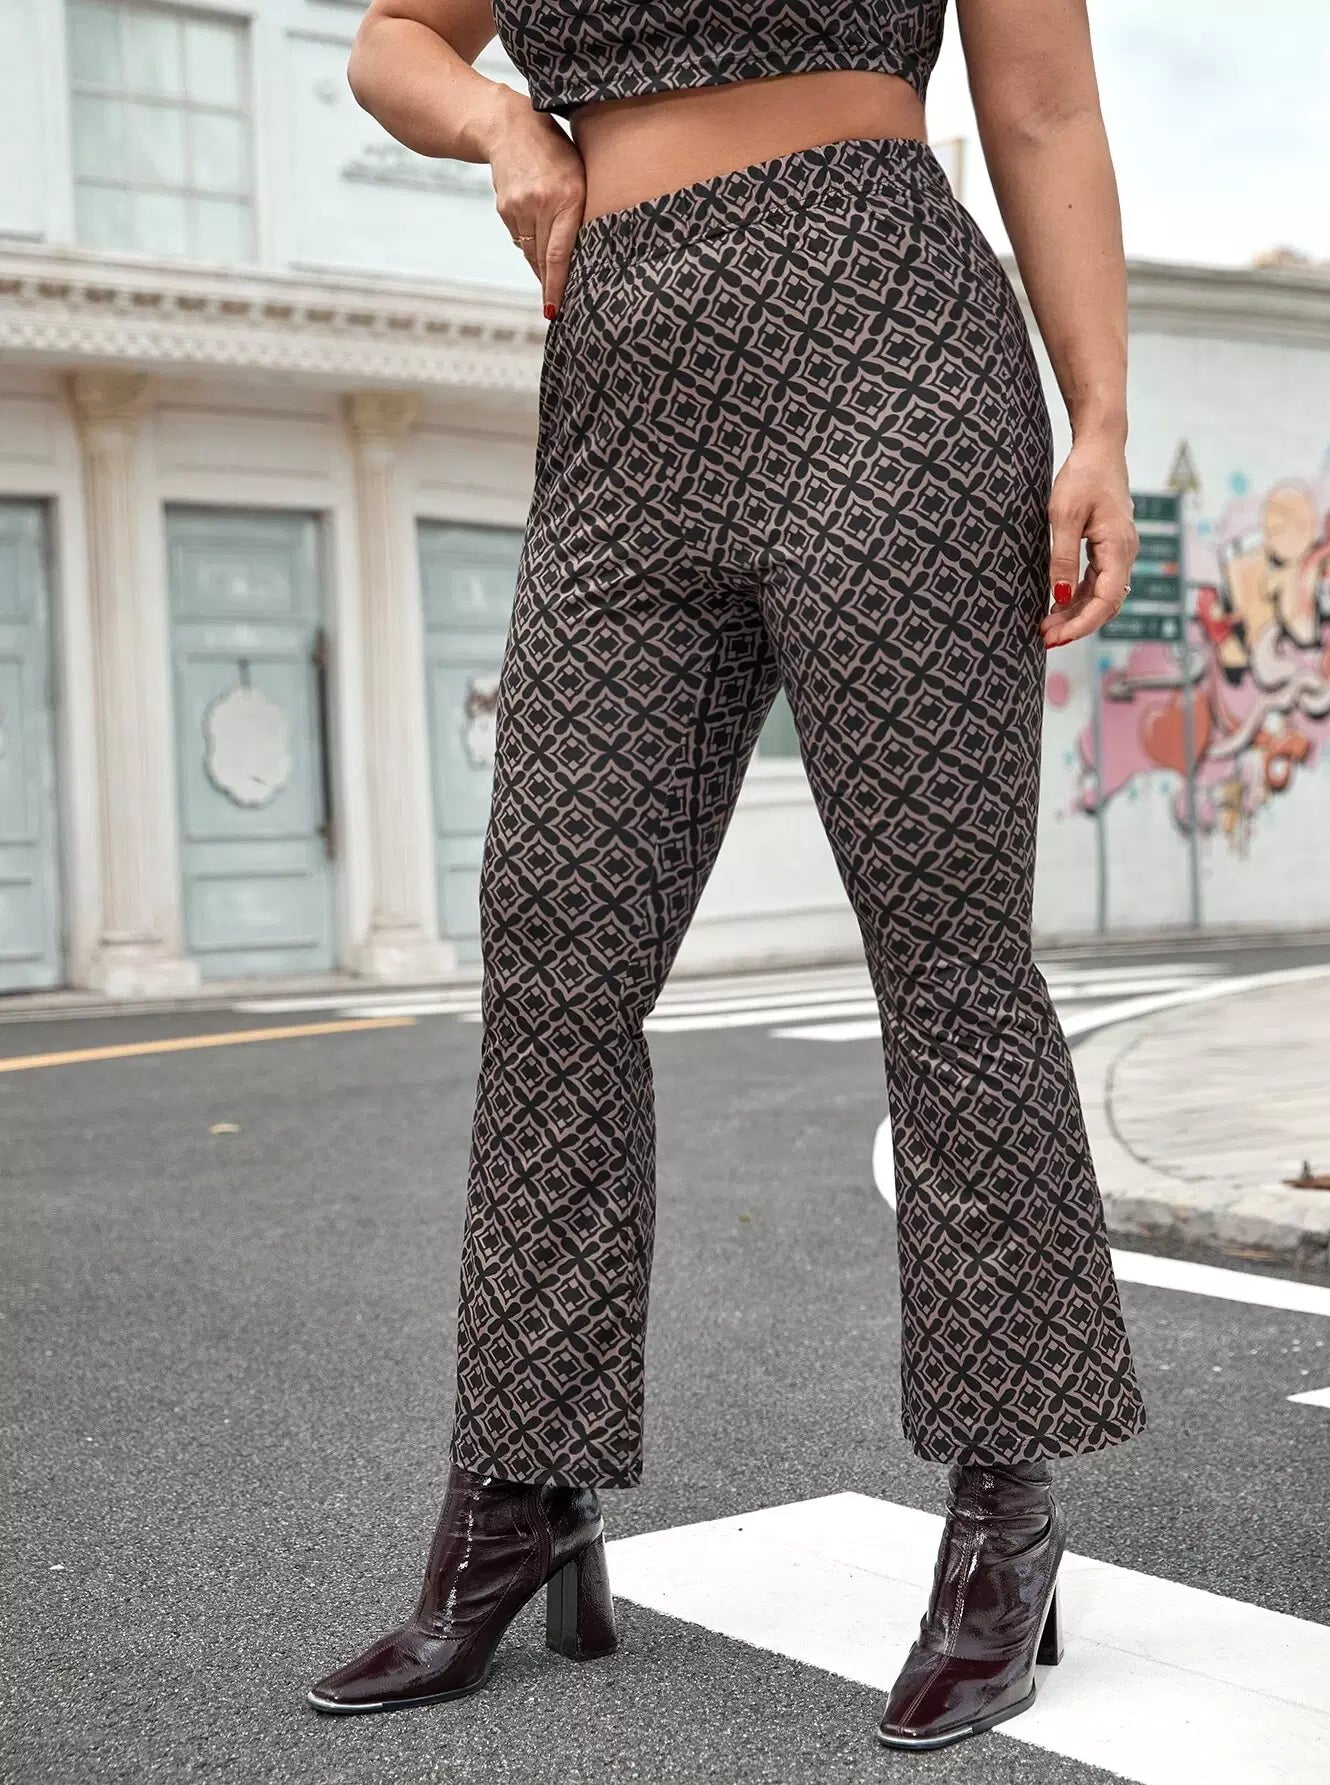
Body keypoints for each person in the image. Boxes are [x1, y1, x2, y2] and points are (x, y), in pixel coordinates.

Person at [308, 0, 1148, 1750]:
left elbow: (1046, 111)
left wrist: (1100, 422)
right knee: (552, 956)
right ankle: (524, 1490)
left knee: (946, 949)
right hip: (622, 394)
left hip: (890, 357)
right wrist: (502, 125)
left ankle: (1005, 1507)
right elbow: (391, 41)